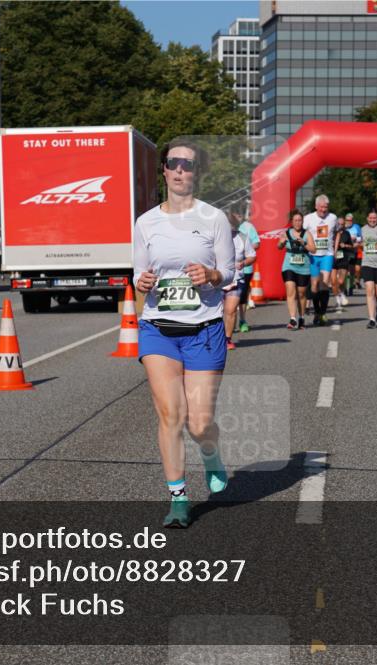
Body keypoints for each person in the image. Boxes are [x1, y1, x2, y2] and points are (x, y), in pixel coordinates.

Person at [132, 138, 234, 529]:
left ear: (195, 174)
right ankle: (178, 498)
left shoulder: (213, 218)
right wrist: (141, 282)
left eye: (187, 165)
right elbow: (139, 273)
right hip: (158, 329)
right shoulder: (145, 222)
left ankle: (211, 456)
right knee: (170, 415)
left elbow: (229, 272)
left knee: (198, 423)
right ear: (164, 170)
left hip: (204, 330)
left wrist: (210, 275)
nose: (179, 170)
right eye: (173, 163)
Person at [223, 209, 256, 350]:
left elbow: (252, 256)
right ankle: (215, 337)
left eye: (229, 224)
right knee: (216, 313)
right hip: (216, 282)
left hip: (236, 280)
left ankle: (227, 338)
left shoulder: (242, 238)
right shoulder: (212, 239)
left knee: (230, 310)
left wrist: (244, 263)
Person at [278, 209, 315, 329]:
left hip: (303, 267)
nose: (298, 223)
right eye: (296, 220)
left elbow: (313, 249)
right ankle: (293, 318)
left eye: (300, 220)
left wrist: (304, 243)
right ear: (291, 222)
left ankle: (302, 317)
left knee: (302, 293)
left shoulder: (307, 234)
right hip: (289, 265)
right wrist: (282, 243)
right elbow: (278, 246)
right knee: (290, 290)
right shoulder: (286, 233)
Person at [303, 194, 337, 326]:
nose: (324, 210)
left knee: (324, 283)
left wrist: (335, 248)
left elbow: (338, 231)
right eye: (321, 207)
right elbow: (301, 232)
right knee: (314, 285)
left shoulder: (333, 218)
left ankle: (322, 313)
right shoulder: (308, 219)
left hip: (327, 255)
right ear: (316, 206)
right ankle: (317, 312)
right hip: (313, 256)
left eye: (326, 207)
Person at [236, 214, 260, 332]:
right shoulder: (224, 226)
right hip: (229, 269)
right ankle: (226, 322)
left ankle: (242, 320)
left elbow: (257, 243)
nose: (236, 216)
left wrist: (247, 248)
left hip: (245, 268)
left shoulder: (248, 227)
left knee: (242, 296)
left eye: (238, 213)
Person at [332, 216, 354, 312]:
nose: (340, 226)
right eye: (339, 224)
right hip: (333, 259)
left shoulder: (346, 233)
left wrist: (345, 245)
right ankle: (338, 300)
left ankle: (342, 293)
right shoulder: (332, 233)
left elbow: (351, 246)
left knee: (340, 281)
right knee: (333, 282)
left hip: (343, 258)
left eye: (342, 224)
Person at [344, 213, 362, 296]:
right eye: (347, 220)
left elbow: (360, 238)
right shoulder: (343, 227)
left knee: (352, 271)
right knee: (344, 271)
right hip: (344, 252)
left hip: (354, 251)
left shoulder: (356, 227)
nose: (349, 222)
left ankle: (351, 287)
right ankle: (344, 288)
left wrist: (355, 240)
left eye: (351, 220)